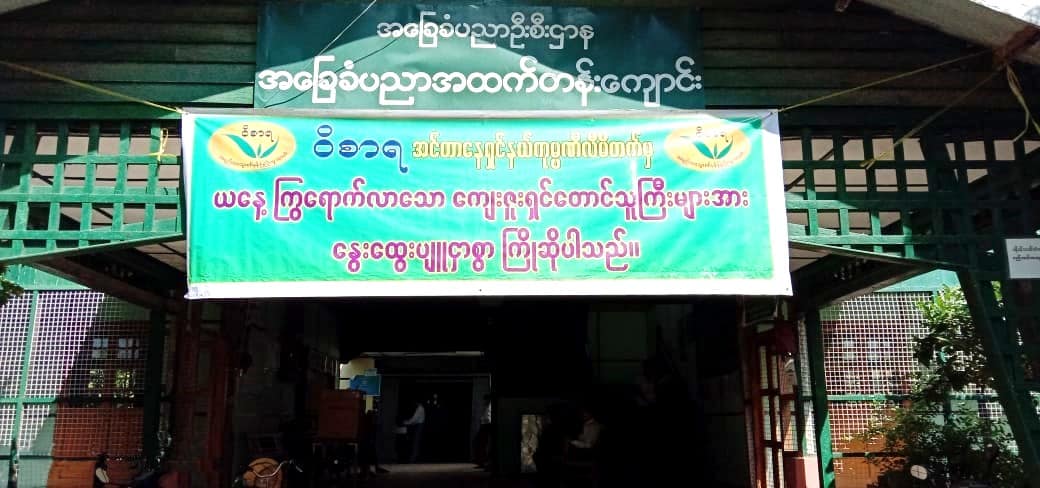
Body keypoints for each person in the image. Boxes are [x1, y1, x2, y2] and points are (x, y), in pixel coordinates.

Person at [473, 394, 493, 468]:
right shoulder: (486, 407)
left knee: (482, 443)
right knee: (481, 444)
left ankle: (485, 462)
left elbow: (488, 418)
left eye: (485, 400)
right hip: (485, 425)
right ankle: (482, 462)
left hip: (487, 425)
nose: (484, 402)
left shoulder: (490, 406)